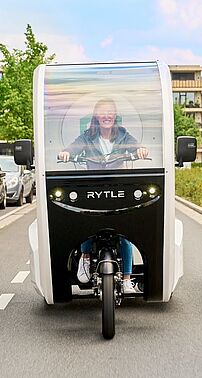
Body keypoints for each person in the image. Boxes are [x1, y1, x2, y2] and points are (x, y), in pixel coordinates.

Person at [58, 98, 148, 293]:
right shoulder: (87, 137)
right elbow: (72, 148)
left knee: (125, 233)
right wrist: (65, 153)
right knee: (84, 216)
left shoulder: (124, 136)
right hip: (93, 185)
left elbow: (137, 146)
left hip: (118, 187)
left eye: (110, 112)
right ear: (96, 116)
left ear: (115, 116)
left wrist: (140, 150)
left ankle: (126, 279)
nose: (107, 115)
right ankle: (85, 258)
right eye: (102, 112)